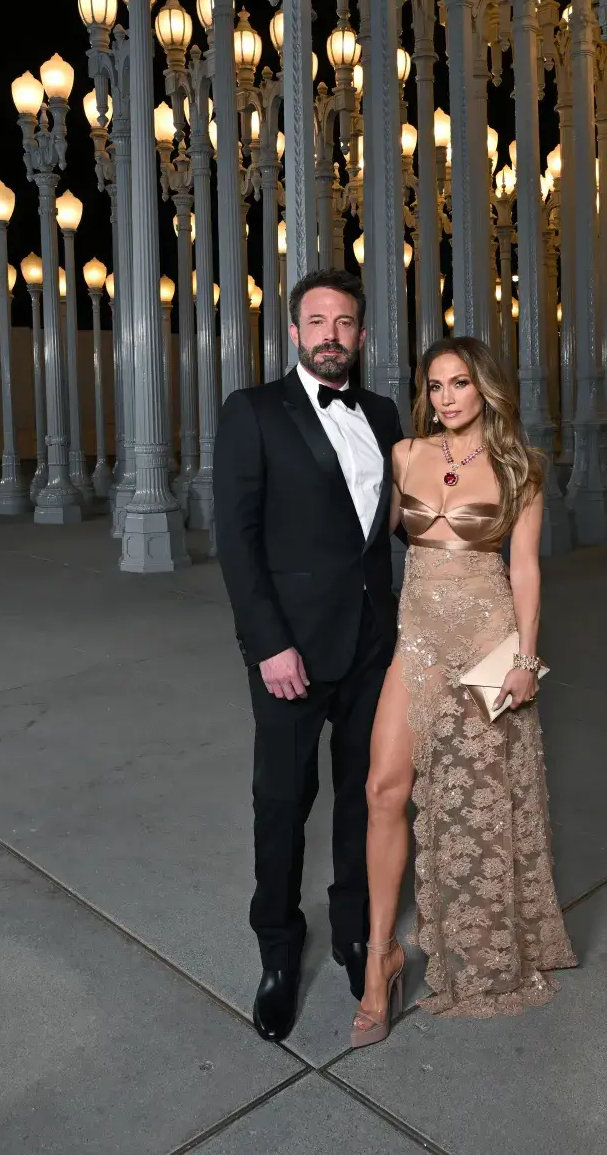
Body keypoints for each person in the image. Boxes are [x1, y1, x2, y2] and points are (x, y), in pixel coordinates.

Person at [352, 336, 576, 1045]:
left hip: (486, 646)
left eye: (459, 383)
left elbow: (526, 571)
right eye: (436, 385)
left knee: (479, 803)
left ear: (486, 389)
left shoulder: (522, 468)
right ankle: (380, 955)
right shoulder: (405, 455)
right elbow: (366, 525)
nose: (446, 397)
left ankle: (482, 947)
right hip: (415, 641)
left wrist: (525, 659)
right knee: (384, 788)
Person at [213, 268, 404, 1043]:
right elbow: (238, 538)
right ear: (294, 331)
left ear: (362, 334)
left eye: (346, 321)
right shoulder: (253, 411)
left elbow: (405, 522)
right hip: (291, 651)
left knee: (366, 796)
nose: (331, 333)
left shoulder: (387, 413)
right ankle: (279, 952)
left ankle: (358, 937)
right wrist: (269, 644)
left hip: (375, 647)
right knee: (283, 804)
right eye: (317, 320)